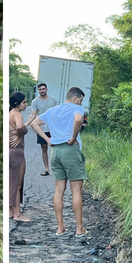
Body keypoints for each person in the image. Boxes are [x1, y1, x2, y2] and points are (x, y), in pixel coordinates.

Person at [30, 87, 87, 237]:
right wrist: (74, 137)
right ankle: (79, 228)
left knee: (59, 190)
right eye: (80, 100)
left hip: (55, 152)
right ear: (75, 98)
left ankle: (60, 227)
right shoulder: (76, 109)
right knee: (76, 190)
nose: (81, 103)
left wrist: (47, 139)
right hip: (70, 150)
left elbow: (34, 124)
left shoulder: (53, 110)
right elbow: (79, 120)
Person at [25, 83, 59, 176]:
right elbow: (32, 114)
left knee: (55, 148)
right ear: (38, 91)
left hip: (52, 128)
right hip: (41, 128)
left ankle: (57, 169)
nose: (42, 91)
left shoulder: (53, 100)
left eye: (43, 89)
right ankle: (46, 169)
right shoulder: (35, 101)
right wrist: (25, 125)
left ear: (47, 89)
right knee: (44, 148)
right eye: (40, 89)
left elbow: (58, 113)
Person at [8, 92, 30, 222]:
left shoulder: (9, 113)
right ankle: (17, 214)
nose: (26, 105)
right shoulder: (17, 114)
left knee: (11, 181)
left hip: (9, 150)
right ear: (17, 103)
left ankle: (10, 211)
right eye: (24, 102)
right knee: (17, 184)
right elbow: (20, 126)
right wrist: (19, 136)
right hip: (17, 151)